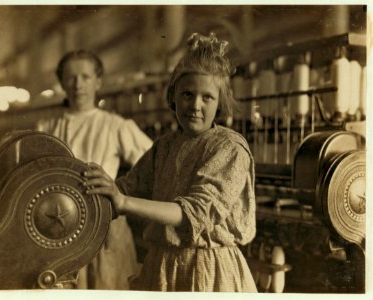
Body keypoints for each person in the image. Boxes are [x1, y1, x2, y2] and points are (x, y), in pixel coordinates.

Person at [82, 32, 257, 292]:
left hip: (207, 271)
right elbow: (127, 188)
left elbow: (194, 213)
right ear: (173, 96)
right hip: (161, 266)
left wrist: (123, 201)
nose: (195, 105)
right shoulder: (165, 146)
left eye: (207, 97)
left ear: (220, 102)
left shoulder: (229, 147)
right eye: (187, 94)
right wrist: (97, 189)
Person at [36, 49, 152, 290]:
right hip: (58, 228)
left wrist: (118, 191)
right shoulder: (46, 127)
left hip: (105, 227)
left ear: (98, 81)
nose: (78, 84)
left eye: (86, 77)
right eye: (71, 78)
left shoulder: (115, 125)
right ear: (62, 83)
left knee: (107, 286)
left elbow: (154, 165)